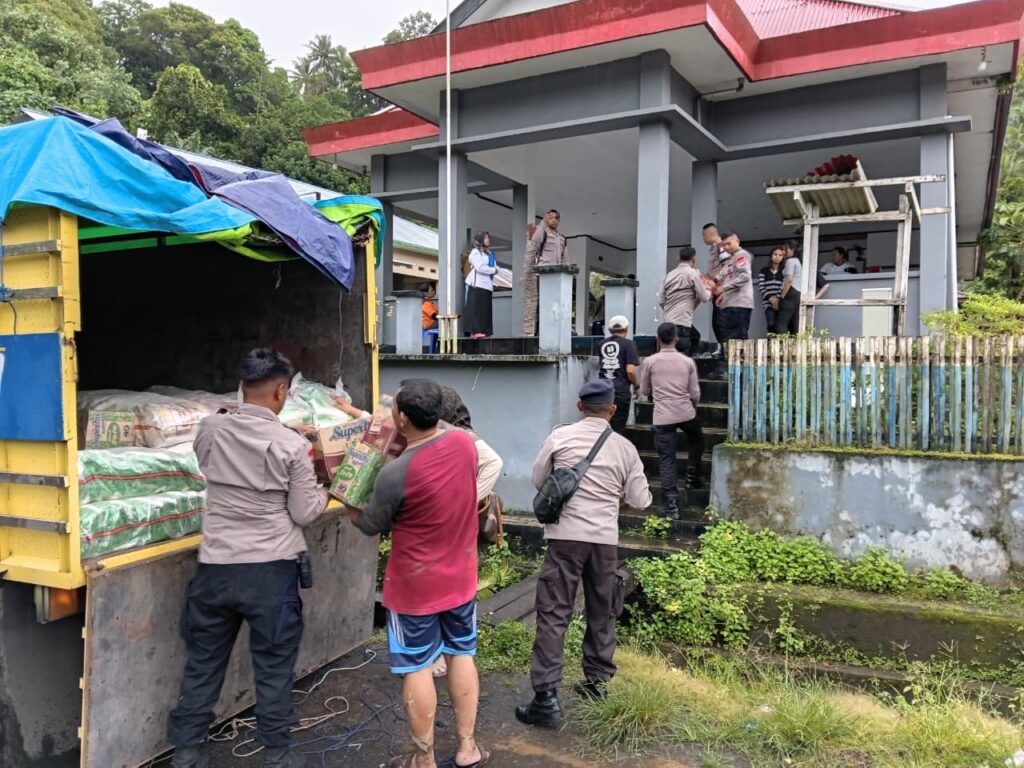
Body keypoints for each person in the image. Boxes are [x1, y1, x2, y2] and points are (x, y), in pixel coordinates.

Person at [168, 348, 329, 768]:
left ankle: (186, 752)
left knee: (203, 663)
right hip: (270, 574)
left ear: (241, 387)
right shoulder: (293, 446)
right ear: (282, 391)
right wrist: (326, 489)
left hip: (215, 569)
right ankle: (276, 755)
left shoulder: (210, 429)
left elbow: (214, 460)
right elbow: (303, 513)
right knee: (273, 668)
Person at [349, 379, 488, 768]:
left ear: (403, 419)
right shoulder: (463, 443)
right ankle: (467, 748)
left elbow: (369, 525)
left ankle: (423, 758)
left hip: (415, 588)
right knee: (462, 654)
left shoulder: (395, 474)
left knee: (417, 668)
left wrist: (346, 498)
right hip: (461, 578)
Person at [516, 379, 651, 728]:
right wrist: (616, 492)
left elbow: (539, 481)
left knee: (553, 614)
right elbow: (641, 500)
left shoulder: (559, 437)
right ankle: (596, 684)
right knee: (603, 611)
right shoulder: (625, 448)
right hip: (604, 542)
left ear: (579, 406)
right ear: (613, 410)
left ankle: (546, 698)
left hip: (564, 539)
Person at [640, 324, 704, 520]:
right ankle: (692, 476)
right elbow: (695, 393)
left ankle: (671, 504)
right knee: (697, 439)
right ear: (676, 339)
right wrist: (691, 406)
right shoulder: (687, 362)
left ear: (658, 339)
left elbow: (644, 390)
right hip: (685, 412)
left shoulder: (650, 362)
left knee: (667, 459)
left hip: (662, 416)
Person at [522, 210, 568, 336]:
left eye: (556, 218)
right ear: (546, 219)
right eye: (551, 217)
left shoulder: (562, 238)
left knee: (556, 304)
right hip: (543, 274)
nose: (554, 220)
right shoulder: (541, 232)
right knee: (542, 304)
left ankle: (553, 330)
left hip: (557, 275)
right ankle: (539, 332)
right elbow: (532, 250)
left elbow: (565, 258)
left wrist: (567, 272)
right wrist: (527, 272)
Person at [660, 246, 712, 355]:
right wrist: (708, 288)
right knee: (682, 352)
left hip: (668, 322)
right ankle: (685, 363)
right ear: (693, 259)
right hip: (682, 322)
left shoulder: (669, 275)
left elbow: (661, 301)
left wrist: (670, 311)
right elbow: (705, 297)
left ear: (679, 258)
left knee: (694, 336)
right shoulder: (692, 273)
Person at [598, 315, 640, 435]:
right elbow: (630, 371)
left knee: (603, 426)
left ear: (610, 329)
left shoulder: (602, 344)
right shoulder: (629, 344)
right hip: (620, 392)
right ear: (626, 329)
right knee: (618, 428)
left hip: (602, 390)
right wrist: (636, 386)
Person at [710, 232, 754, 344]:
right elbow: (729, 277)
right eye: (724, 245)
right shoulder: (732, 257)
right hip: (731, 302)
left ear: (737, 241)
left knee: (738, 338)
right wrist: (723, 296)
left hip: (740, 303)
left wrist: (723, 289)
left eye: (728, 244)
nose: (726, 247)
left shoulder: (741, 255)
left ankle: (739, 356)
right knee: (729, 337)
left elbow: (744, 276)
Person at [465, 231, 498, 339]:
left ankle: (486, 331)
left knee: (486, 309)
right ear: (480, 240)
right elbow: (479, 267)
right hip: (477, 284)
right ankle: (475, 331)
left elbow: (494, 266)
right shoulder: (475, 252)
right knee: (477, 309)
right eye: (486, 238)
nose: (488, 240)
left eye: (488, 238)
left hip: (487, 285)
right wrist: (493, 270)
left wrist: (494, 269)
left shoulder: (489, 253)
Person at [702, 223, 728, 347]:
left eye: (703, 235)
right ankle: (723, 348)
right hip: (716, 290)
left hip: (722, 291)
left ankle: (725, 350)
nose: (703, 238)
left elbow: (728, 266)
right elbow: (714, 270)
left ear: (710, 233)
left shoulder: (721, 246)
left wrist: (716, 281)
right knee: (716, 323)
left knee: (721, 322)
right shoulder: (713, 248)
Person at [758, 246, 787, 332]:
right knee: (771, 324)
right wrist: (770, 298)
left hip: (781, 302)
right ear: (771, 256)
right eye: (775, 254)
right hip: (767, 303)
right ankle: (770, 340)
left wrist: (777, 299)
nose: (777, 257)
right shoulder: (764, 270)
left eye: (780, 255)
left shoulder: (784, 271)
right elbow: (761, 286)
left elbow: (783, 286)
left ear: (783, 258)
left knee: (780, 326)